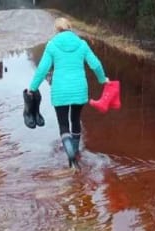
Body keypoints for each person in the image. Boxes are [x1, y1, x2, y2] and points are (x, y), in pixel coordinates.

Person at [28, 17, 108, 169]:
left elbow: (42, 70)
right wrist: (102, 79)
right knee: (76, 120)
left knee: (63, 124)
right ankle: (76, 151)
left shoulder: (52, 45)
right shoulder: (81, 44)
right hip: (79, 89)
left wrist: (33, 88)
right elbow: (96, 64)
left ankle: (70, 154)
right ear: (70, 28)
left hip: (60, 90)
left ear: (57, 30)